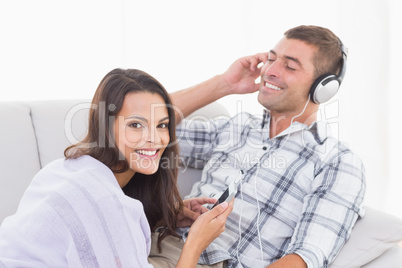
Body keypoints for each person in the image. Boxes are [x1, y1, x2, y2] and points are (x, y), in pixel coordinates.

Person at [166, 25, 366, 267]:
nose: (270, 70)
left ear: (323, 88)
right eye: (270, 59)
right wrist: (224, 84)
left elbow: (304, 258)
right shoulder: (236, 127)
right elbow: (139, 127)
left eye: (290, 66)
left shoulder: (337, 161)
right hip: (159, 243)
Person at [0, 69, 233, 267]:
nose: (154, 138)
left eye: (162, 125)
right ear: (106, 126)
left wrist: (170, 214)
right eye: (135, 125)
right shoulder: (103, 200)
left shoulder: (68, 167)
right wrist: (196, 243)